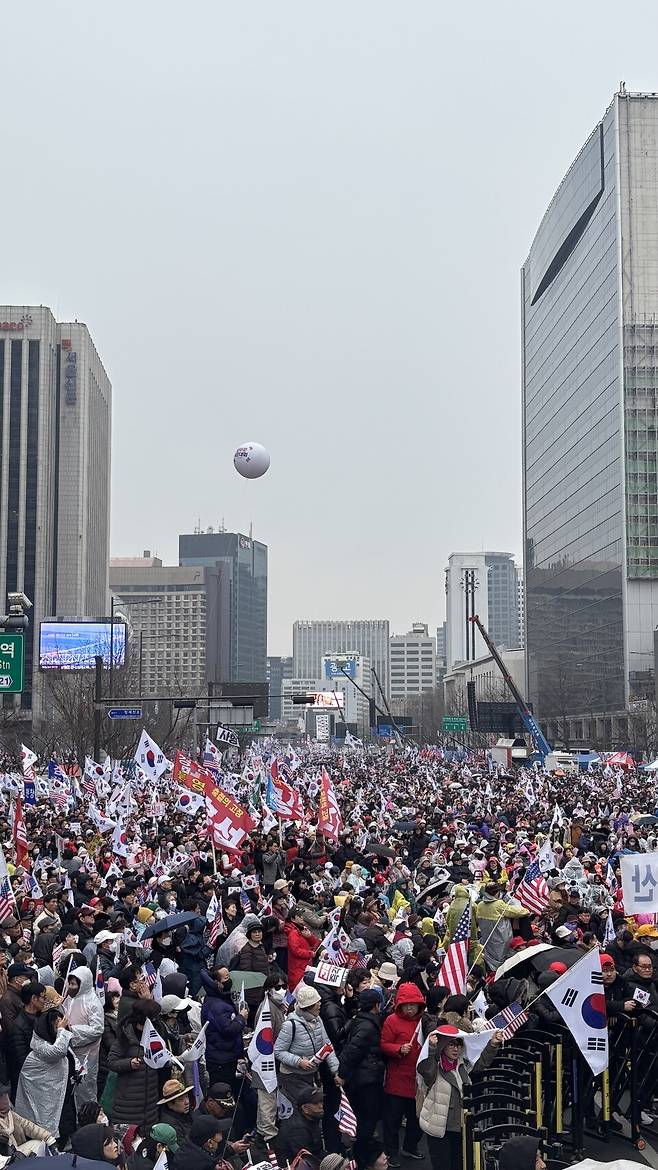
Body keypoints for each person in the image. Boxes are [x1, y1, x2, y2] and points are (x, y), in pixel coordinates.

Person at [417, 1025, 501, 1170]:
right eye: (451, 1044)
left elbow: (481, 1063)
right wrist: (431, 1048)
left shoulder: (462, 1065)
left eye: (459, 1045)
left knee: (458, 1164)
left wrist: (492, 1045)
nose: (456, 1049)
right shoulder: (435, 1067)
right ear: (443, 1046)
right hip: (438, 1127)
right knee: (442, 1166)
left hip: (459, 1126)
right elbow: (425, 1069)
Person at [14, 1006, 77, 1147]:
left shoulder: (53, 1041)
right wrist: (62, 1030)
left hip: (62, 1097)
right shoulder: (40, 1046)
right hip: (44, 1098)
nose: (60, 1030)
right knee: (44, 1131)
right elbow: (58, 1051)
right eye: (56, 1027)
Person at [380, 982, 425, 1165]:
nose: (409, 1009)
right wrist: (398, 1049)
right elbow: (383, 1045)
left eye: (413, 1005)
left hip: (417, 1081)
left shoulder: (424, 1022)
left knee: (416, 1121)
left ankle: (410, 1147)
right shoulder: (391, 1021)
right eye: (406, 1005)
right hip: (397, 1081)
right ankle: (391, 1153)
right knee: (392, 1121)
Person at [338, 990, 385, 1167]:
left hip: (362, 1078)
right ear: (376, 1005)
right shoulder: (367, 1026)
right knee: (366, 1122)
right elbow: (352, 1051)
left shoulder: (362, 1020)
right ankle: (363, 1159)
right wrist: (341, 1074)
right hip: (366, 1081)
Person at [274, 983, 341, 1104]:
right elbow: (278, 1051)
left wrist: (336, 1071)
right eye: (317, 1003)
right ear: (309, 1006)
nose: (320, 1004)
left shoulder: (318, 1019)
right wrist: (298, 1062)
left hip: (311, 1075)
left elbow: (327, 1045)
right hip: (292, 1077)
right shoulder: (290, 1025)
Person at [108, 999, 163, 1127]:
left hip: (150, 1104)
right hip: (128, 1105)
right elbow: (112, 1062)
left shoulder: (155, 1035)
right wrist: (129, 1063)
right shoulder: (126, 1037)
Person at [252, 974, 288, 1145]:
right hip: (266, 1062)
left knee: (271, 1101)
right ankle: (268, 1138)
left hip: (276, 1062)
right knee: (267, 1101)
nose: (282, 990)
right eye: (278, 987)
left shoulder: (279, 1006)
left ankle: (266, 1133)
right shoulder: (265, 1009)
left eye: (284, 986)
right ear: (268, 989)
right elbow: (265, 1038)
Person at [200, 966, 248, 1090]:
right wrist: (241, 1018)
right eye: (226, 978)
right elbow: (228, 1029)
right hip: (220, 1060)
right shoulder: (216, 1005)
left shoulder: (220, 999)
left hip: (226, 1055)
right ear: (217, 983)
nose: (229, 980)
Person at [64, 965, 104, 1106]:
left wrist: (72, 1031)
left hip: (87, 1056)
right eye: (70, 983)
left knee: (86, 1089)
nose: (70, 987)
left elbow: (97, 1029)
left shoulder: (93, 1003)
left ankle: (87, 1117)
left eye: (74, 984)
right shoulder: (69, 999)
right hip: (69, 1053)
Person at [8, 980, 46, 1095]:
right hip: (27, 1080)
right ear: (34, 999)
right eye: (43, 997)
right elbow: (22, 1060)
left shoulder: (41, 1018)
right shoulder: (18, 1026)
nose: (45, 1001)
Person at [0, 1080, 58, 1156]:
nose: (5, 1099)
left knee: (40, 1145)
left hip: (17, 1151)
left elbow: (28, 1126)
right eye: (1, 1097)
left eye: (5, 1095)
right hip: (5, 1159)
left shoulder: (10, 1114)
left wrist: (49, 1139)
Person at [274, 1083, 325, 1164]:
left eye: (321, 1101)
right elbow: (305, 1160)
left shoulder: (311, 1119)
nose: (321, 1106)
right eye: (315, 1103)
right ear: (305, 1108)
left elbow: (317, 1151)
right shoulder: (298, 1129)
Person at [157, 1078, 194, 1145]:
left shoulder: (187, 1115)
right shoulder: (171, 1126)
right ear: (170, 1104)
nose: (187, 1102)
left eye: (187, 1097)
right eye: (181, 1100)